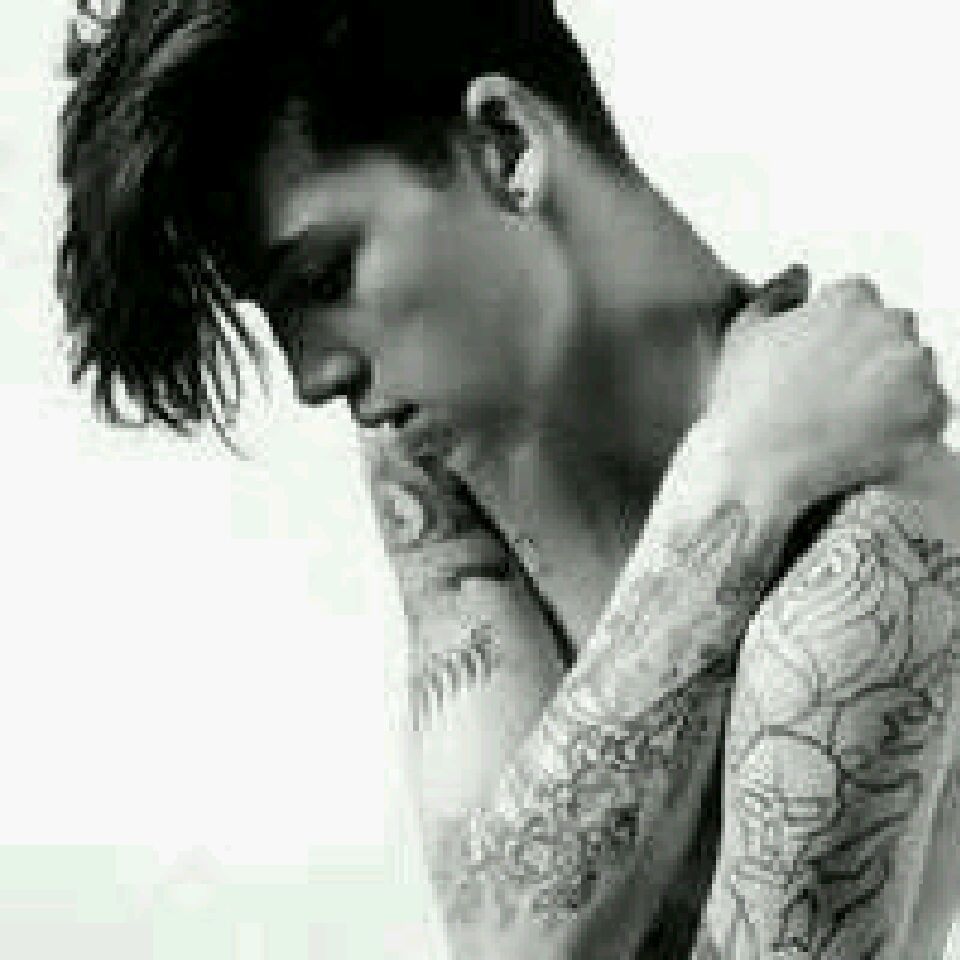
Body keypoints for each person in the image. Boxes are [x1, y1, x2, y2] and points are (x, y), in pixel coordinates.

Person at [58, 1, 960, 957]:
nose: (312, 376)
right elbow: (499, 936)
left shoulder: (869, 556)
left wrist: (748, 479)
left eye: (322, 280)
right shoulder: (441, 450)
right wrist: (737, 474)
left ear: (505, 146)